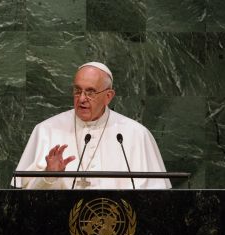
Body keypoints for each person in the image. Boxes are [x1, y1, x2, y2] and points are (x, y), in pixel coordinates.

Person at [11, 62, 171, 189]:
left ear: (108, 96)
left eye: (90, 92)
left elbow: (156, 196)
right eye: (77, 90)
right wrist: (49, 175)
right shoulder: (46, 130)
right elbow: (24, 195)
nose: (81, 99)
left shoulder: (137, 134)